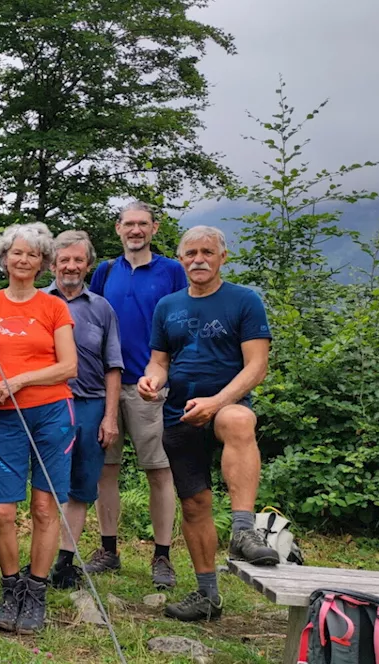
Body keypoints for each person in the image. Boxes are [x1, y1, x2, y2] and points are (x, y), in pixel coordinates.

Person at [140, 225, 278, 623]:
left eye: (207, 252)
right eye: (190, 253)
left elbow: (257, 364)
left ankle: (243, 529)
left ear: (222, 257)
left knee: (239, 419)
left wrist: (218, 401)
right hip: (179, 413)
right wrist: (152, 380)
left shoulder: (244, 300)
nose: (198, 259)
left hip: (225, 402)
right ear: (180, 259)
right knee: (195, 504)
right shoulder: (167, 305)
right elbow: (159, 360)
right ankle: (207, 595)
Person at [0, 223, 77, 634]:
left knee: (43, 507)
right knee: (0, 510)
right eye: (16, 253)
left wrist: (20, 380)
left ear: (42, 263)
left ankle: (36, 591)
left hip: (52, 411)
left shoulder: (54, 307)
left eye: (32, 254)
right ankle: (10, 587)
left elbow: (70, 366)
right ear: (5, 258)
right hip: (5, 416)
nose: (23, 260)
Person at [88, 201, 188, 589]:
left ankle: (162, 556)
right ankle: (108, 549)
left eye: (142, 224)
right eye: (128, 224)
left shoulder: (172, 270)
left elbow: (184, 321)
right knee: (105, 470)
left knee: (160, 471)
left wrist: (169, 375)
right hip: (105, 385)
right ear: (117, 229)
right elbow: (90, 317)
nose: (135, 230)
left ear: (154, 228)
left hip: (153, 388)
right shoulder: (105, 271)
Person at [42, 231, 124, 589]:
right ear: (52, 264)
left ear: (88, 265)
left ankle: (65, 561)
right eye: (64, 260)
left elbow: (113, 366)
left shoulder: (102, 308)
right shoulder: (37, 302)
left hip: (89, 405)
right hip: (46, 404)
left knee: (81, 485)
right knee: (44, 485)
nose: (71, 266)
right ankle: (38, 558)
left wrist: (109, 416)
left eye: (78, 260)